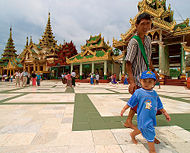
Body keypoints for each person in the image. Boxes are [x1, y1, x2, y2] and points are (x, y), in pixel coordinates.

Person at [121, 71, 171, 153]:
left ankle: (132, 134)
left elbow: (159, 105)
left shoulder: (154, 93)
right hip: (142, 117)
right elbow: (131, 102)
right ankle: (152, 150)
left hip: (151, 117)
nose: (146, 83)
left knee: (141, 129)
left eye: (150, 81)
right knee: (150, 131)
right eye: (144, 81)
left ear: (154, 82)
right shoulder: (138, 92)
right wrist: (124, 109)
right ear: (140, 81)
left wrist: (165, 113)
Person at [124, 13, 158, 129]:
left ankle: (129, 121)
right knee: (144, 103)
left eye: (148, 24)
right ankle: (147, 130)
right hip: (138, 78)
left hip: (147, 77)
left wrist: (154, 71)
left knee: (140, 102)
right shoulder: (134, 42)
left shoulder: (148, 40)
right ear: (136, 25)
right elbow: (128, 63)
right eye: (143, 24)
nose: (145, 27)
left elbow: (148, 58)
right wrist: (132, 82)